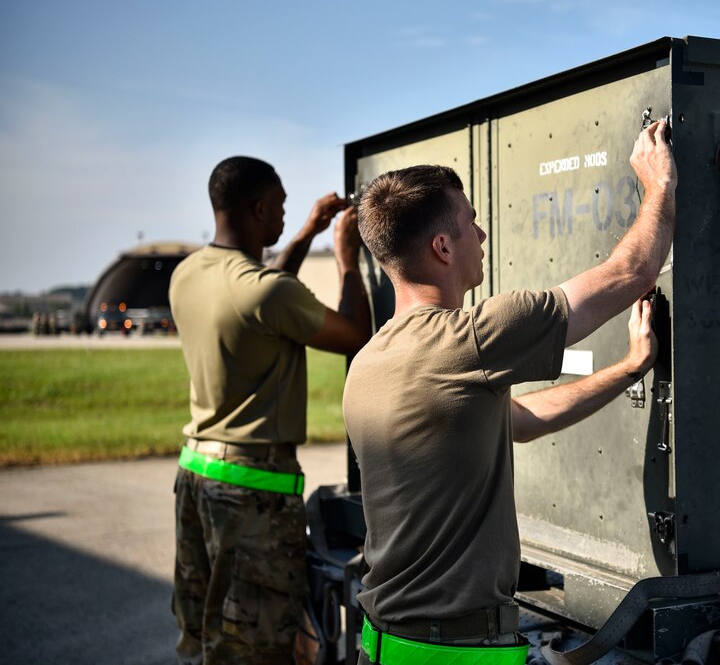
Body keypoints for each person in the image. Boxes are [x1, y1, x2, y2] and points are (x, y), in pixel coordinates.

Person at [343, 120, 677, 663]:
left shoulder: (372, 362)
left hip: (385, 646)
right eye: (472, 223)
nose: (482, 235)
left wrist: (630, 367)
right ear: (443, 247)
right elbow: (633, 270)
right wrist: (658, 184)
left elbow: (519, 420)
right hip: (456, 652)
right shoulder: (469, 339)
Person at [170, 156, 373, 664]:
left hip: (195, 472)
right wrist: (346, 256)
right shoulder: (268, 292)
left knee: (208, 634)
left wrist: (307, 230)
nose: (284, 218)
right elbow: (356, 333)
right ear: (259, 207)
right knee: (256, 647)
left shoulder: (188, 274)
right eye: (281, 208)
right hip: (251, 492)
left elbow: (260, 293)